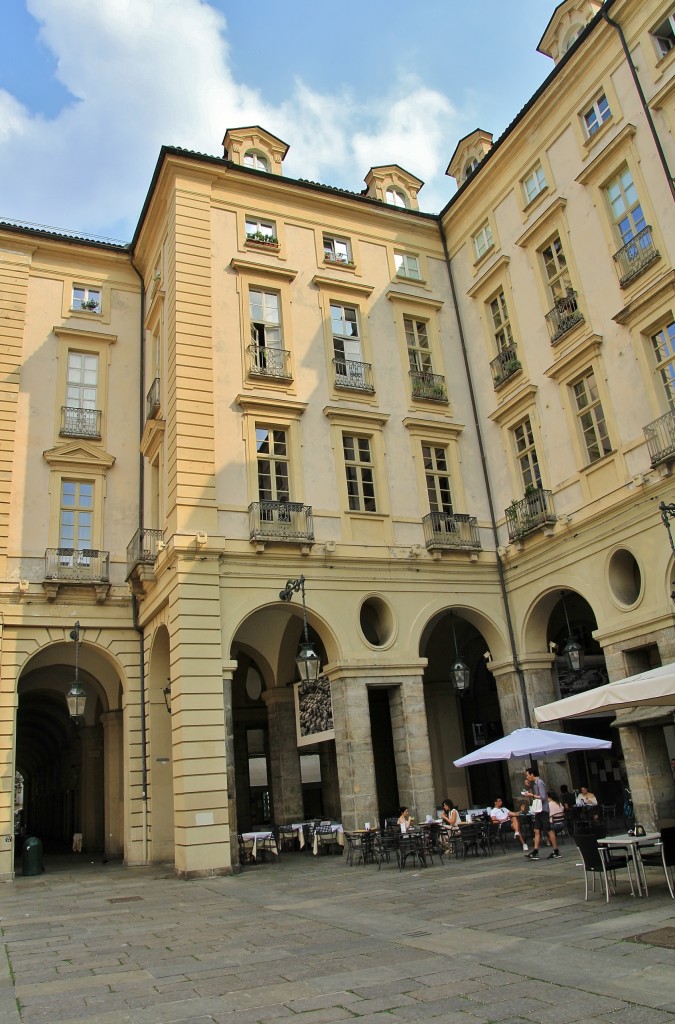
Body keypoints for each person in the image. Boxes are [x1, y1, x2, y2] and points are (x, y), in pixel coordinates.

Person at [523, 767, 561, 860]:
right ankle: (535, 851)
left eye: (527, 775)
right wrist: (529, 787)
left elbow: (543, 797)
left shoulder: (540, 782)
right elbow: (534, 796)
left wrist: (531, 795)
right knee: (536, 830)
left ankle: (556, 851)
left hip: (543, 809)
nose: (527, 777)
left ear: (532, 774)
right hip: (538, 810)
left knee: (548, 829)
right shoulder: (535, 784)